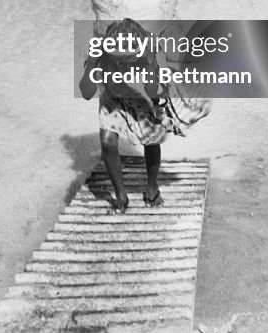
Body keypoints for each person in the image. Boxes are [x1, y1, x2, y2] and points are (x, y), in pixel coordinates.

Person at [79, 18, 210, 213]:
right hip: (112, 97)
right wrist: (91, 62)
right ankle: (121, 196)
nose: (122, 62)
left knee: (150, 140)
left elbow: (153, 91)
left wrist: (149, 67)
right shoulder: (101, 53)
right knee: (107, 142)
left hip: (142, 96)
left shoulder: (148, 54)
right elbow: (86, 93)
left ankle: (152, 187)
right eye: (118, 58)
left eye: (126, 58)